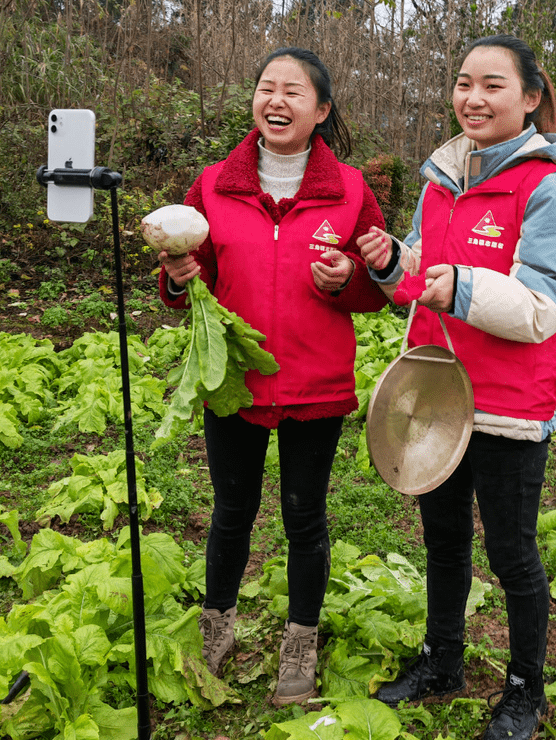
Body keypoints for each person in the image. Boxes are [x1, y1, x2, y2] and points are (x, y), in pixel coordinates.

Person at [357, 35, 556, 740]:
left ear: (528, 97)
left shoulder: (549, 191)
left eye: (493, 85)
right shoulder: (441, 182)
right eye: (463, 83)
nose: (473, 98)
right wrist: (393, 259)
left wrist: (460, 286)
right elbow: (424, 276)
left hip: (509, 407)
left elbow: (545, 305)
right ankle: (443, 660)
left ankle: (526, 687)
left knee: (512, 552)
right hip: (436, 393)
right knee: (444, 537)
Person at [158, 47, 387, 705]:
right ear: (254, 102)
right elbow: (184, 276)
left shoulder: (349, 189)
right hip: (234, 382)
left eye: (293, 91)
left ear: (321, 110)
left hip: (315, 386)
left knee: (304, 517)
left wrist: (350, 280)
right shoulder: (213, 185)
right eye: (266, 88)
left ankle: (299, 644)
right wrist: (178, 280)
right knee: (231, 514)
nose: (276, 100)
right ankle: (217, 630)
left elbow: (380, 282)